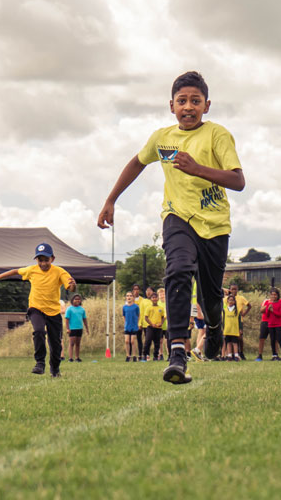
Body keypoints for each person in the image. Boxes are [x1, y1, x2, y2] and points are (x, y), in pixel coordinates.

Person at [98, 71, 245, 385]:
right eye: (182, 101)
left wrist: (197, 169)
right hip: (177, 217)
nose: (188, 106)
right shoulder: (162, 138)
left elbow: (238, 180)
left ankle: (215, 329)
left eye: (195, 101)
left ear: (207, 105)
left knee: (210, 298)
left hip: (215, 226)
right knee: (177, 270)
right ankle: (177, 351)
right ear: (171, 105)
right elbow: (138, 162)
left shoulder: (217, 135)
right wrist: (111, 199)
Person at [0, 243, 76, 377]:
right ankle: (40, 363)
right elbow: (15, 271)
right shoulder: (32, 270)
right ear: (36, 260)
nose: (43, 263)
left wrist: (73, 286)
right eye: (40, 260)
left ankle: (55, 369)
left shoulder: (59, 272)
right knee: (38, 331)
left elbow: (70, 287)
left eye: (46, 260)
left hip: (53, 311)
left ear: (53, 259)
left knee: (56, 344)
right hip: (36, 308)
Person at [228, 283, 252, 360]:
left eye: (235, 289)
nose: (234, 291)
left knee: (239, 337)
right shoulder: (227, 299)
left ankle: (241, 352)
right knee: (230, 338)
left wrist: (244, 313)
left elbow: (249, 305)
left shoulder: (241, 298)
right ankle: (231, 354)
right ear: (230, 290)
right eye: (232, 289)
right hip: (229, 320)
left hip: (238, 321)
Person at [64, 294, 89, 362]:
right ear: (72, 300)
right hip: (72, 328)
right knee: (72, 343)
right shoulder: (69, 309)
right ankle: (70, 358)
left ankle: (77, 357)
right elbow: (67, 319)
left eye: (79, 299)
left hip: (79, 328)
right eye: (76, 299)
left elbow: (84, 319)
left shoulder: (82, 309)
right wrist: (67, 328)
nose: (77, 300)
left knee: (78, 343)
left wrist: (87, 328)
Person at [263, 288, 281, 360]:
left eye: (275, 295)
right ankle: (274, 355)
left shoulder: (280, 304)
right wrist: (268, 309)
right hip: (270, 324)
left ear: (277, 295)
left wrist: (272, 310)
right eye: (272, 295)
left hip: (278, 324)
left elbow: (280, 314)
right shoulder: (269, 304)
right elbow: (267, 315)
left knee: (279, 339)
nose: (273, 296)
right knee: (272, 340)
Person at [144, 288, 165, 361]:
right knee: (148, 341)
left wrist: (161, 323)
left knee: (157, 343)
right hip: (150, 327)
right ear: (151, 299)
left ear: (158, 298)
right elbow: (146, 318)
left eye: (156, 297)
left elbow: (163, 317)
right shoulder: (148, 308)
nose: (154, 299)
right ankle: (145, 355)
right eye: (153, 297)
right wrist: (151, 324)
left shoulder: (161, 308)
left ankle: (155, 356)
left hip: (158, 328)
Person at [223, 293, 241, 361]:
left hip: (234, 330)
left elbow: (239, 320)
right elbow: (223, 320)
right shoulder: (225, 310)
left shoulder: (237, 310)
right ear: (227, 301)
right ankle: (229, 355)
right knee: (228, 342)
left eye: (232, 300)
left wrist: (240, 328)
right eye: (229, 300)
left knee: (235, 343)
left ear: (234, 301)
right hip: (227, 329)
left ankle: (236, 355)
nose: (230, 301)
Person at [122, 291, 140, 362]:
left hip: (134, 326)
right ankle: (127, 355)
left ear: (133, 297)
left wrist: (137, 323)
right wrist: (125, 323)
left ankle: (134, 355)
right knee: (126, 341)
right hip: (127, 326)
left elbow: (138, 315)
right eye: (127, 296)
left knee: (132, 341)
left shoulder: (136, 307)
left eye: (130, 296)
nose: (129, 297)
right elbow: (124, 316)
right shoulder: (124, 307)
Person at [137, 288, 153, 361]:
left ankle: (157, 355)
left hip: (154, 323)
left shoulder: (155, 300)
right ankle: (146, 354)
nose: (148, 292)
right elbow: (141, 312)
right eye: (147, 291)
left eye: (150, 291)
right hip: (145, 324)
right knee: (147, 340)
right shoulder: (143, 301)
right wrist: (139, 323)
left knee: (156, 340)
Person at [130, 284, 144, 360]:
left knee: (139, 339)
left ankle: (140, 355)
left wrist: (140, 323)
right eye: (134, 289)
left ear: (139, 290)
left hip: (138, 322)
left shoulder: (142, 299)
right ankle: (130, 354)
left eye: (137, 289)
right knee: (130, 339)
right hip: (131, 322)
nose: (136, 291)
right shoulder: (130, 299)